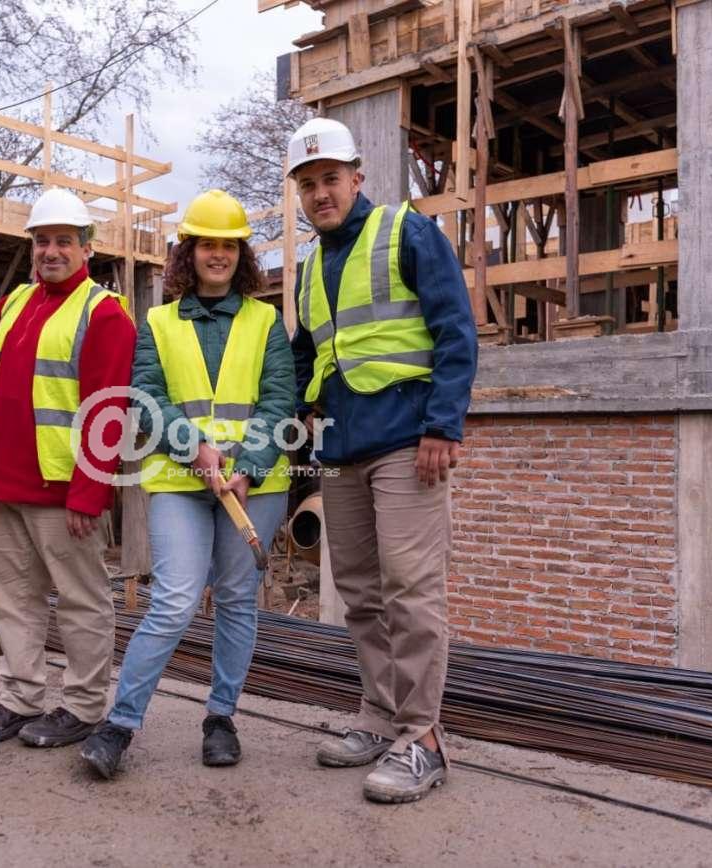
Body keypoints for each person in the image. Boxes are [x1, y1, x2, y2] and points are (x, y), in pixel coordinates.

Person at [287, 118, 478, 803]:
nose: (321, 193)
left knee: (411, 590)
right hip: (342, 447)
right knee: (361, 593)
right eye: (308, 184)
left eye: (331, 179)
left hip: (407, 444)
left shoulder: (406, 232)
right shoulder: (310, 267)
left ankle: (423, 737)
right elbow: (308, 354)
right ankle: (379, 716)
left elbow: (455, 329)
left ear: (356, 178)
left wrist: (443, 425)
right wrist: (301, 415)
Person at [79, 190, 295, 779]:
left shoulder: (266, 321)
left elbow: (279, 400)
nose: (218, 255)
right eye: (207, 244)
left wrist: (248, 464)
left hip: (254, 486)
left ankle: (221, 718)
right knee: (174, 601)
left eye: (229, 245)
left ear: (241, 254)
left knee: (235, 601)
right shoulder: (157, 322)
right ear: (189, 251)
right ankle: (119, 724)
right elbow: (147, 396)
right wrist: (194, 450)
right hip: (181, 481)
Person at [0, 188, 136, 750]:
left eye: (63, 241)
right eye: (41, 241)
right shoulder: (15, 302)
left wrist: (90, 492)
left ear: (86, 248)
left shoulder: (103, 312)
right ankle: (20, 698)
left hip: (63, 489)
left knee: (82, 601)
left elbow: (109, 410)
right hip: (7, 482)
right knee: (13, 598)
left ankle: (83, 706)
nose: (51, 251)